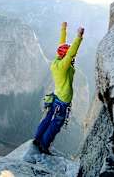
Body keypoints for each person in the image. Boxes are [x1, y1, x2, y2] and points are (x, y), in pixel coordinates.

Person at [32, 22, 84, 154]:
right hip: (62, 100)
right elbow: (71, 53)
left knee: (48, 118)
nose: (72, 58)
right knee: (55, 124)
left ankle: (37, 139)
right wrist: (79, 37)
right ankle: (44, 145)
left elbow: (62, 46)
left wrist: (64, 29)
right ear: (65, 56)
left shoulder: (57, 61)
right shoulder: (63, 66)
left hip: (56, 96)